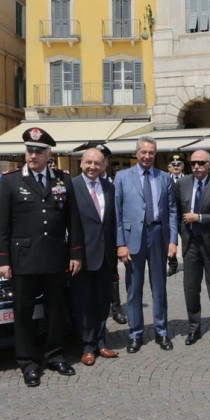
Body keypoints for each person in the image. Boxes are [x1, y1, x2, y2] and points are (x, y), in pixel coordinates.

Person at [0, 127, 83, 387]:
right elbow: (0, 226)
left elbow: (73, 221)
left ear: (48, 154)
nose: (32, 156)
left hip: (55, 258)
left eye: (38, 152)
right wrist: (1, 259)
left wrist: (75, 254)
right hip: (23, 260)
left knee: (55, 311)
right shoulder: (10, 181)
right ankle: (28, 363)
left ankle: (55, 356)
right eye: (29, 151)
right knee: (24, 314)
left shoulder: (62, 180)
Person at [115, 136, 178, 353]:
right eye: (143, 152)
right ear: (136, 153)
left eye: (151, 152)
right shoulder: (122, 177)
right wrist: (120, 244)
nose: (147, 156)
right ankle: (135, 334)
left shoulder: (164, 178)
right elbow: (117, 212)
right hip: (133, 237)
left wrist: (173, 240)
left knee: (159, 287)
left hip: (158, 234)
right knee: (133, 289)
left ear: (155, 154)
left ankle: (161, 331)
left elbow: (172, 211)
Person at [71, 147, 120, 366]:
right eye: (88, 162)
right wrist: (73, 253)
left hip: (105, 256)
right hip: (81, 257)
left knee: (102, 303)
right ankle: (87, 346)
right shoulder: (72, 187)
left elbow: (111, 222)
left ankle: (101, 342)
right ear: (81, 163)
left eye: (97, 163)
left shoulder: (109, 187)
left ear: (104, 166)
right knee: (83, 304)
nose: (93, 167)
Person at [174, 150, 210, 347]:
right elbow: (177, 214)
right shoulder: (182, 184)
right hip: (191, 245)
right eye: (193, 163)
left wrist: (199, 218)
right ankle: (193, 328)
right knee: (190, 289)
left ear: (209, 164)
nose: (196, 166)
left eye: (200, 163)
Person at [94, 144, 126, 325]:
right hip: (90, 240)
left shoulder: (115, 183)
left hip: (110, 238)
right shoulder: (80, 183)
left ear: (106, 162)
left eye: (102, 159)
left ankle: (116, 307)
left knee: (112, 274)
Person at [167, 154, 185, 277]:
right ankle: (173, 265)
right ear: (169, 167)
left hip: (184, 216)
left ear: (183, 166)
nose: (176, 167)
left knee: (188, 240)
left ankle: (190, 262)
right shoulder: (164, 179)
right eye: (173, 165)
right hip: (169, 216)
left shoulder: (189, 178)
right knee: (170, 241)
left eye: (178, 164)